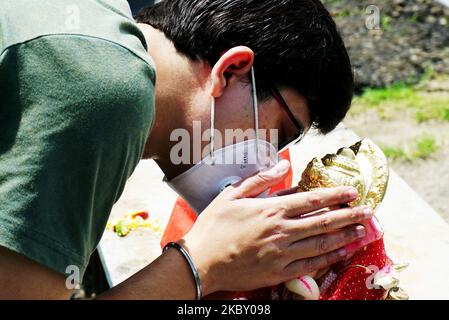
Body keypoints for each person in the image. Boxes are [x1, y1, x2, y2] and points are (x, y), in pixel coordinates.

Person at [0, 0, 373, 300]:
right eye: (278, 134)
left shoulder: (97, 33)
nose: (270, 162)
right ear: (231, 70)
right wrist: (200, 265)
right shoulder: (107, 87)